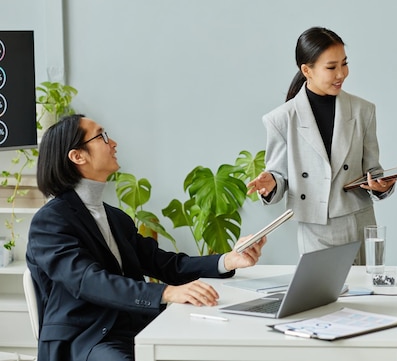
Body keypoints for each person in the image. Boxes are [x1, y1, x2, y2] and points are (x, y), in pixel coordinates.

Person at [26, 114, 266, 361]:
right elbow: (88, 281)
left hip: (135, 328)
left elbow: (164, 264)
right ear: (78, 156)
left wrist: (228, 260)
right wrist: (166, 293)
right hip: (88, 337)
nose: (114, 143)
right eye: (102, 136)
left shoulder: (116, 218)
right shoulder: (50, 221)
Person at [246, 26, 395, 263]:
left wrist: (382, 185)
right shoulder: (281, 119)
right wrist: (271, 182)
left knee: (368, 295)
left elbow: (373, 171)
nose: (341, 74)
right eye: (331, 67)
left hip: (360, 222)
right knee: (323, 297)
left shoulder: (363, 110)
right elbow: (279, 177)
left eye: (344, 64)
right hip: (316, 228)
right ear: (307, 70)